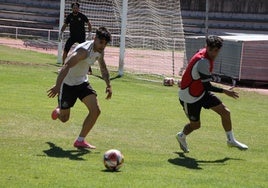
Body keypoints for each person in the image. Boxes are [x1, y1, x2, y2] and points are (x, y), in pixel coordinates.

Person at [176, 35, 248, 153]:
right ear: (207, 47)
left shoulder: (204, 55)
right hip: (189, 97)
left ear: (219, 50)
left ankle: (231, 140)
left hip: (201, 92)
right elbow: (208, 86)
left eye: (216, 51)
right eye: (211, 50)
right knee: (196, 126)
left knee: (225, 112)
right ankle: (181, 136)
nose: (213, 53)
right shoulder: (203, 62)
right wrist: (225, 91)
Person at [48, 27, 112, 149]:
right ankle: (59, 110)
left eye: (105, 44)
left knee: (96, 111)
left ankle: (80, 141)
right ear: (95, 39)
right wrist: (57, 86)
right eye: (101, 42)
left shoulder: (99, 51)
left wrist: (108, 85)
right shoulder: (83, 52)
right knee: (64, 119)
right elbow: (66, 66)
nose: (102, 46)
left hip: (82, 82)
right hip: (67, 84)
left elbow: (103, 68)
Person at [59, 2, 92, 74]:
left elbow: (89, 24)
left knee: (85, 53)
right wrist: (61, 33)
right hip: (72, 37)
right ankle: (63, 67)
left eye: (76, 7)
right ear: (72, 8)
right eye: (74, 7)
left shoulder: (82, 16)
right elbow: (65, 25)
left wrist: (90, 33)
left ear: (78, 8)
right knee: (65, 51)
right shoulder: (69, 16)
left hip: (81, 37)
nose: (75, 9)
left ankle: (89, 70)